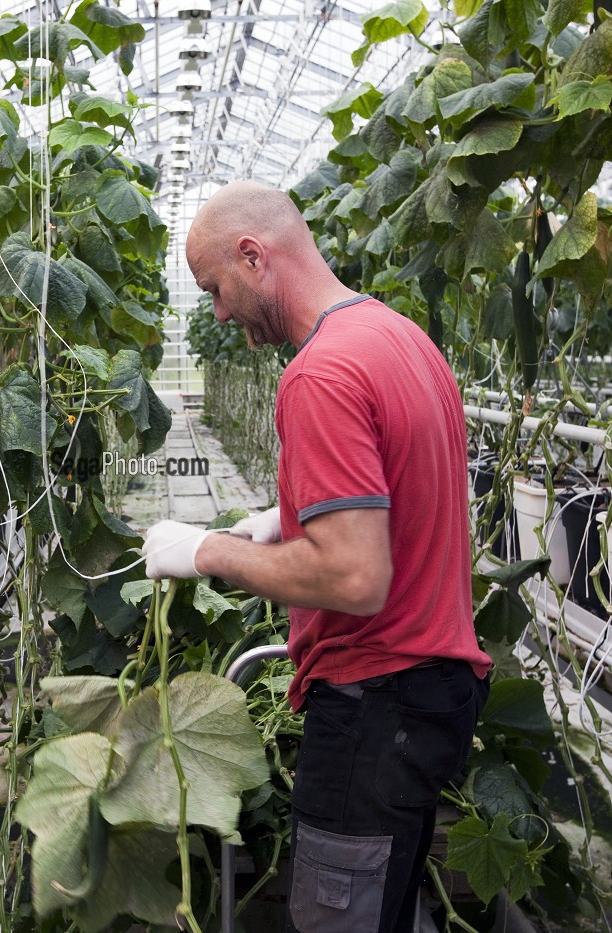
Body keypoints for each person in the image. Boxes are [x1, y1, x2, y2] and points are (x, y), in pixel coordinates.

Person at [143, 180, 492, 933]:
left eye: (216, 289)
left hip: (376, 705)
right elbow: (405, 493)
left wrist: (207, 550)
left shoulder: (320, 374)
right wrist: (288, 517)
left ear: (253, 255)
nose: (220, 313)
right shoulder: (401, 340)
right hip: (433, 696)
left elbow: (354, 577)